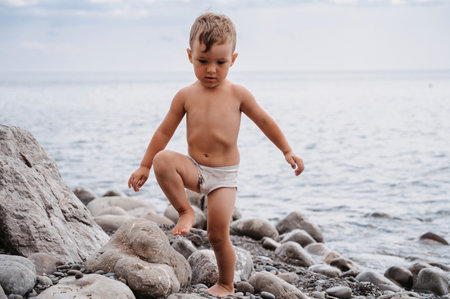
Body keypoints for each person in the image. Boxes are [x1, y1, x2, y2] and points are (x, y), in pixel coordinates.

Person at [128, 12, 304, 297]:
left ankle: (226, 283)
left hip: (223, 176)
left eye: (220, 63)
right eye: (203, 61)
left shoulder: (238, 94)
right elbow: (163, 133)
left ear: (233, 60)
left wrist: (287, 150)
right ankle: (186, 211)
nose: (211, 70)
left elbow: (265, 122)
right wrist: (144, 166)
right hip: (194, 169)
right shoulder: (185, 95)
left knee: (218, 235)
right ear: (190, 56)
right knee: (163, 160)